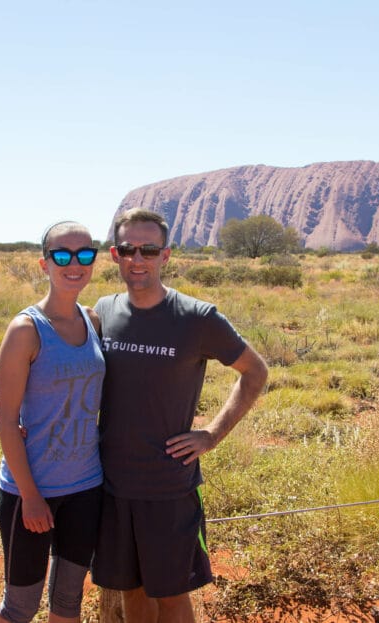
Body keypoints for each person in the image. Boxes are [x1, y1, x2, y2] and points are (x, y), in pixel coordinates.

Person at [91, 208, 269, 623]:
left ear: (166, 255)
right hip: (112, 484)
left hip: (168, 486)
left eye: (148, 249)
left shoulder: (198, 318)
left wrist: (211, 434)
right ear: (115, 255)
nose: (138, 259)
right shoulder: (105, 310)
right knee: (130, 592)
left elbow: (255, 372)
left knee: (171, 596)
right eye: (127, 249)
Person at [0, 221, 105, 623]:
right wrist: (31, 496)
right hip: (33, 489)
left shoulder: (92, 321)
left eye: (85, 254)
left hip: (86, 486)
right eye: (62, 255)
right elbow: (6, 421)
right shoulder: (26, 330)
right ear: (44, 264)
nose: (74, 263)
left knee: (68, 602)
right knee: (19, 607)